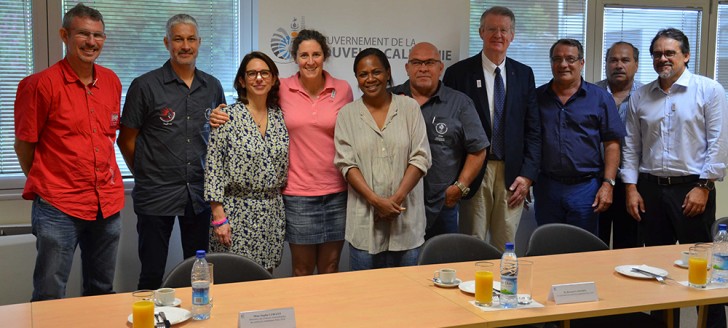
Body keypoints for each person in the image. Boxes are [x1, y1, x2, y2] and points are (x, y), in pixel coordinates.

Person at [14, 3, 124, 301]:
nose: (91, 42)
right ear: (65, 35)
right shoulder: (38, 86)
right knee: (50, 293)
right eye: (83, 34)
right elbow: (24, 145)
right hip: (57, 207)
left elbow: (108, 136)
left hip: (107, 205)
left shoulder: (112, 82)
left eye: (98, 35)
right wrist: (50, 184)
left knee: (102, 291)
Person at [623, 29, 728, 328]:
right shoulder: (641, 95)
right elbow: (632, 145)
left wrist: (705, 186)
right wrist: (631, 188)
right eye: (657, 53)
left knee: (701, 269)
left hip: (693, 189)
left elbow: (719, 143)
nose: (662, 58)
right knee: (657, 270)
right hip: (650, 190)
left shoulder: (708, 90)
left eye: (669, 53)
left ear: (686, 55)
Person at [117, 14, 226, 290]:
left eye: (191, 39)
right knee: (152, 272)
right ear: (167, 42)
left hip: (199, 194)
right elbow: (126, 140)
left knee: (197, 271)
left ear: (199, 43)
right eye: (178, 39)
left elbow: (219, 136)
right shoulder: (145, 85)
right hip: (156, 194)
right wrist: (145, 173)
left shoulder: (212, 86)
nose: (185, 45)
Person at [443, 6, 540, 251]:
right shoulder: (458, 74)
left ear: (512, 36)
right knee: (471, 243)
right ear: (481, 32)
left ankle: (504, 290)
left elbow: (533, 130)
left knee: (505, 245)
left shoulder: (524, 74)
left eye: (504, 30)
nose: (498, 35)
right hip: (474, 170)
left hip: (512, 174)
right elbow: (450, 132)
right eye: (492, 29)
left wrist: (527, 176)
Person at [334, 48, 431, 270]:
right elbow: (346, 164)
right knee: (365, 297)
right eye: (363, 74)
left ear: (388, 73)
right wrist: (377, 202)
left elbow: (421, 157)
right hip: (365, 224)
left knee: (406, 295)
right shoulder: (347, 115)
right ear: (357, 79)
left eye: (376, 72)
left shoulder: (409, 108)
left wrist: (394, 201)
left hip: (406, 222)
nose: (370, 79)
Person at [390, 42, 488, 239]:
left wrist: (460, 187)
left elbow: (478, 149)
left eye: (430, 62)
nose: (423, 68)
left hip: (442, 206)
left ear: (440, 67)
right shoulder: (389, 99)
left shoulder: (460, 103)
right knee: (399, 268)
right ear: (407, 68)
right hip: (396, 203)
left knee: (440, 265)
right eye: (417, 62)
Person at [275, 30, 352, 276]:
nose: (310, 61)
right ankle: (305, 316)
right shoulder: (281, 88)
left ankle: (329, 315)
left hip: (337, 192)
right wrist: (221, 113)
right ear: (295, 58)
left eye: (316, 54)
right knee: (302, 269)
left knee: (330, 268)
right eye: (304, 55)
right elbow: (252, 107)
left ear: (325, 56)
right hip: (298, 194)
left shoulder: (342, 89)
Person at [204, 51, 288, 272]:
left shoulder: (280, 116)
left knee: (264, 277)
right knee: (232, 277)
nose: (258, 78)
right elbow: (213, 170)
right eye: (252, 74)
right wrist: (219, 218)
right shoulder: (226, 117)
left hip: (271, 212)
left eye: (264, 73)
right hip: (235, 211)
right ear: (242, 80)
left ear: (273, 78)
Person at [534, 39, 625, 235]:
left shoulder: (600, 98)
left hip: (585, 188)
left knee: (583, 250)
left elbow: (612, 144)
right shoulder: (536, 98)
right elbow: (529, 141)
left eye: (570, 59)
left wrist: (608, 184)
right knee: (548, 248)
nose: (563, 64)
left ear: (581, 63)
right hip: (547, 187)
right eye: (557, 59)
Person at [595, 41, 643, 249]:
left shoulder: (647, 95)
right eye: (613, 60)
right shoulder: (591, 93)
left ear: (636, 64)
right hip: (597, 181)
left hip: (635, 183)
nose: (619, 65)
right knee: (595, 243)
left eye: (625, 60)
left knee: (629, 245)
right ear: (606, 63)